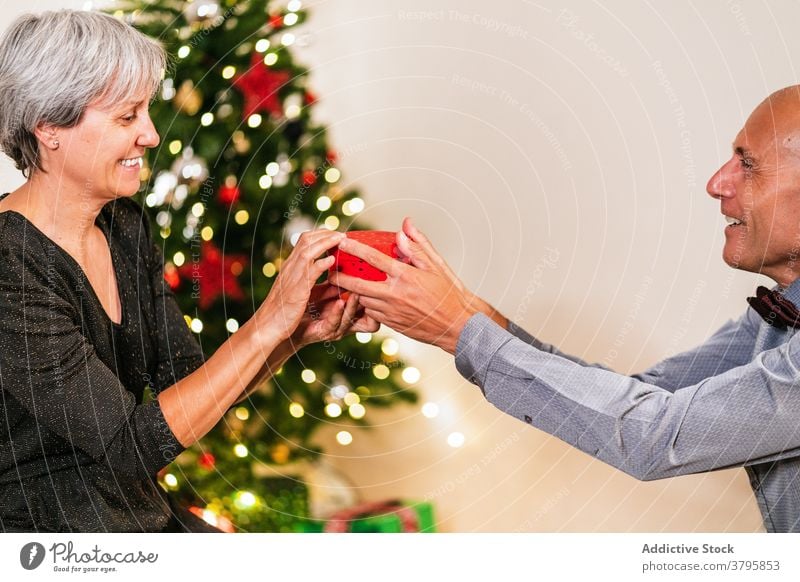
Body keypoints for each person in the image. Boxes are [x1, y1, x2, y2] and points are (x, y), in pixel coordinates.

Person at [330, 85, 800, 533]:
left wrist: (457, 327)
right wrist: (468, 310)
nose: (717, 183)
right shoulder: (777, 315)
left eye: (749, 165)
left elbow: (655, 435)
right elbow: (637, 395)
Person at [0, 10, 375, 533]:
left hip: (136, 519)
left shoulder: (124, 226)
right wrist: (268, 321)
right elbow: (132, 446)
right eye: (127, 117)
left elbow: (188, 383)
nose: (151, 135)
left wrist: (294, 333)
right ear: (48, 128)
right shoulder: (10, 268)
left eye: (146, 112)